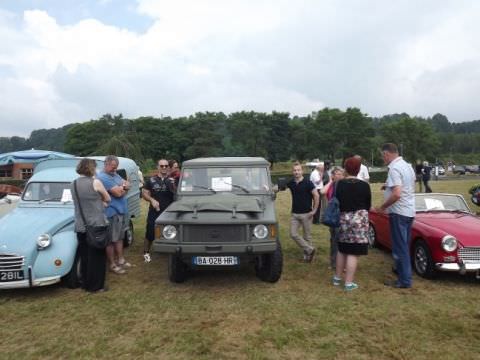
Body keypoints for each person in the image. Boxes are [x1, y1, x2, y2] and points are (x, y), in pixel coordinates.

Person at [378, 143, 415, 289]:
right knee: (404, 245)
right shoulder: (407, 165)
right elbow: (408, 185)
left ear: (387, 154)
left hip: (399, 212)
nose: (383, 158)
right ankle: (402, 272)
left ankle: (404, 280)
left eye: (382, 155)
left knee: (400, 248)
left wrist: (383, 207)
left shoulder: (394, 168)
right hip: (409, 211)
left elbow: (397, 193)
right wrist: (388, 186)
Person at [71, 158, 110, 292]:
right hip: (96, 225)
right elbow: (108, 199)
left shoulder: (73, 184)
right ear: (91, 168)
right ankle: (96, 286)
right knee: (97, 258)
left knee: (85, 256)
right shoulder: (96, 182)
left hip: (80, 225)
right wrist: (101, 202)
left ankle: (85, 283)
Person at [332, 157, 371, 291]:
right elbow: (368, 204)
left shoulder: (340, 184)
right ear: (359, 169)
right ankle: (348, 283)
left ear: (345, 169)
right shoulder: (364, 186)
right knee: (353, 252)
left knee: (342, 248)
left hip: (343, 218)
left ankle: (337, 278)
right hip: (359, 220)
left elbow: (338, 200)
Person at [97, 155, 132, 274]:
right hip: (111, 212)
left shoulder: (114, 175)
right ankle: (112, 264)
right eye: (112, 167)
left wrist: (123, 187)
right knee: (111, 240)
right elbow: (118, 193)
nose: (115, 170)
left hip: (121, 211)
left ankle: (121, 260)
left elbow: (128, 185)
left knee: (120, 237)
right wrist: (123, 187)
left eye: (116, 167)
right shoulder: (102, 177)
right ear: (106, 165)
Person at [142, 159, 175, 263]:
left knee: (171, 231)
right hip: (155, 211)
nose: (164, 168)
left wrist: (175, 185)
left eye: (166, 166)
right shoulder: (151, 180)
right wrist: (152, 200)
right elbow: (144, 194)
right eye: (162, 166)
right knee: (150, 232)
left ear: (168, 167)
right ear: (158, 167)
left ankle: (170, 251)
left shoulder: (173, 180)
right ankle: (146, 253)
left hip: (170, 212)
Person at [286, 161, 319, 262]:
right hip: (295, 214)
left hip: (307, 214)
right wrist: (268, 189)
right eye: (295, 170)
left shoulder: (308, 183)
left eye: (298, 170)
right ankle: (310, 249)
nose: (296, 172)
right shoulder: (291, 183)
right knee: (293, 234)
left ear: (302, 171)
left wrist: (314, 211)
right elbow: (278, 188)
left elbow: (316, 196)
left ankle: (308, 257)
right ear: (292, 172)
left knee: (306, 236)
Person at [320, 166, 345, 269]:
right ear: (333, 175)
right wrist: (331, 181)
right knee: (333, 240)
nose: (338, 176)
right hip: (333, 216)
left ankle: (342, 264)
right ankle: (333, 262)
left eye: (340, 174)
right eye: (336, 174)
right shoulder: (331, 185)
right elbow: (322, 192)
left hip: (342, 216)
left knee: (341, 241)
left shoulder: (345, 185)